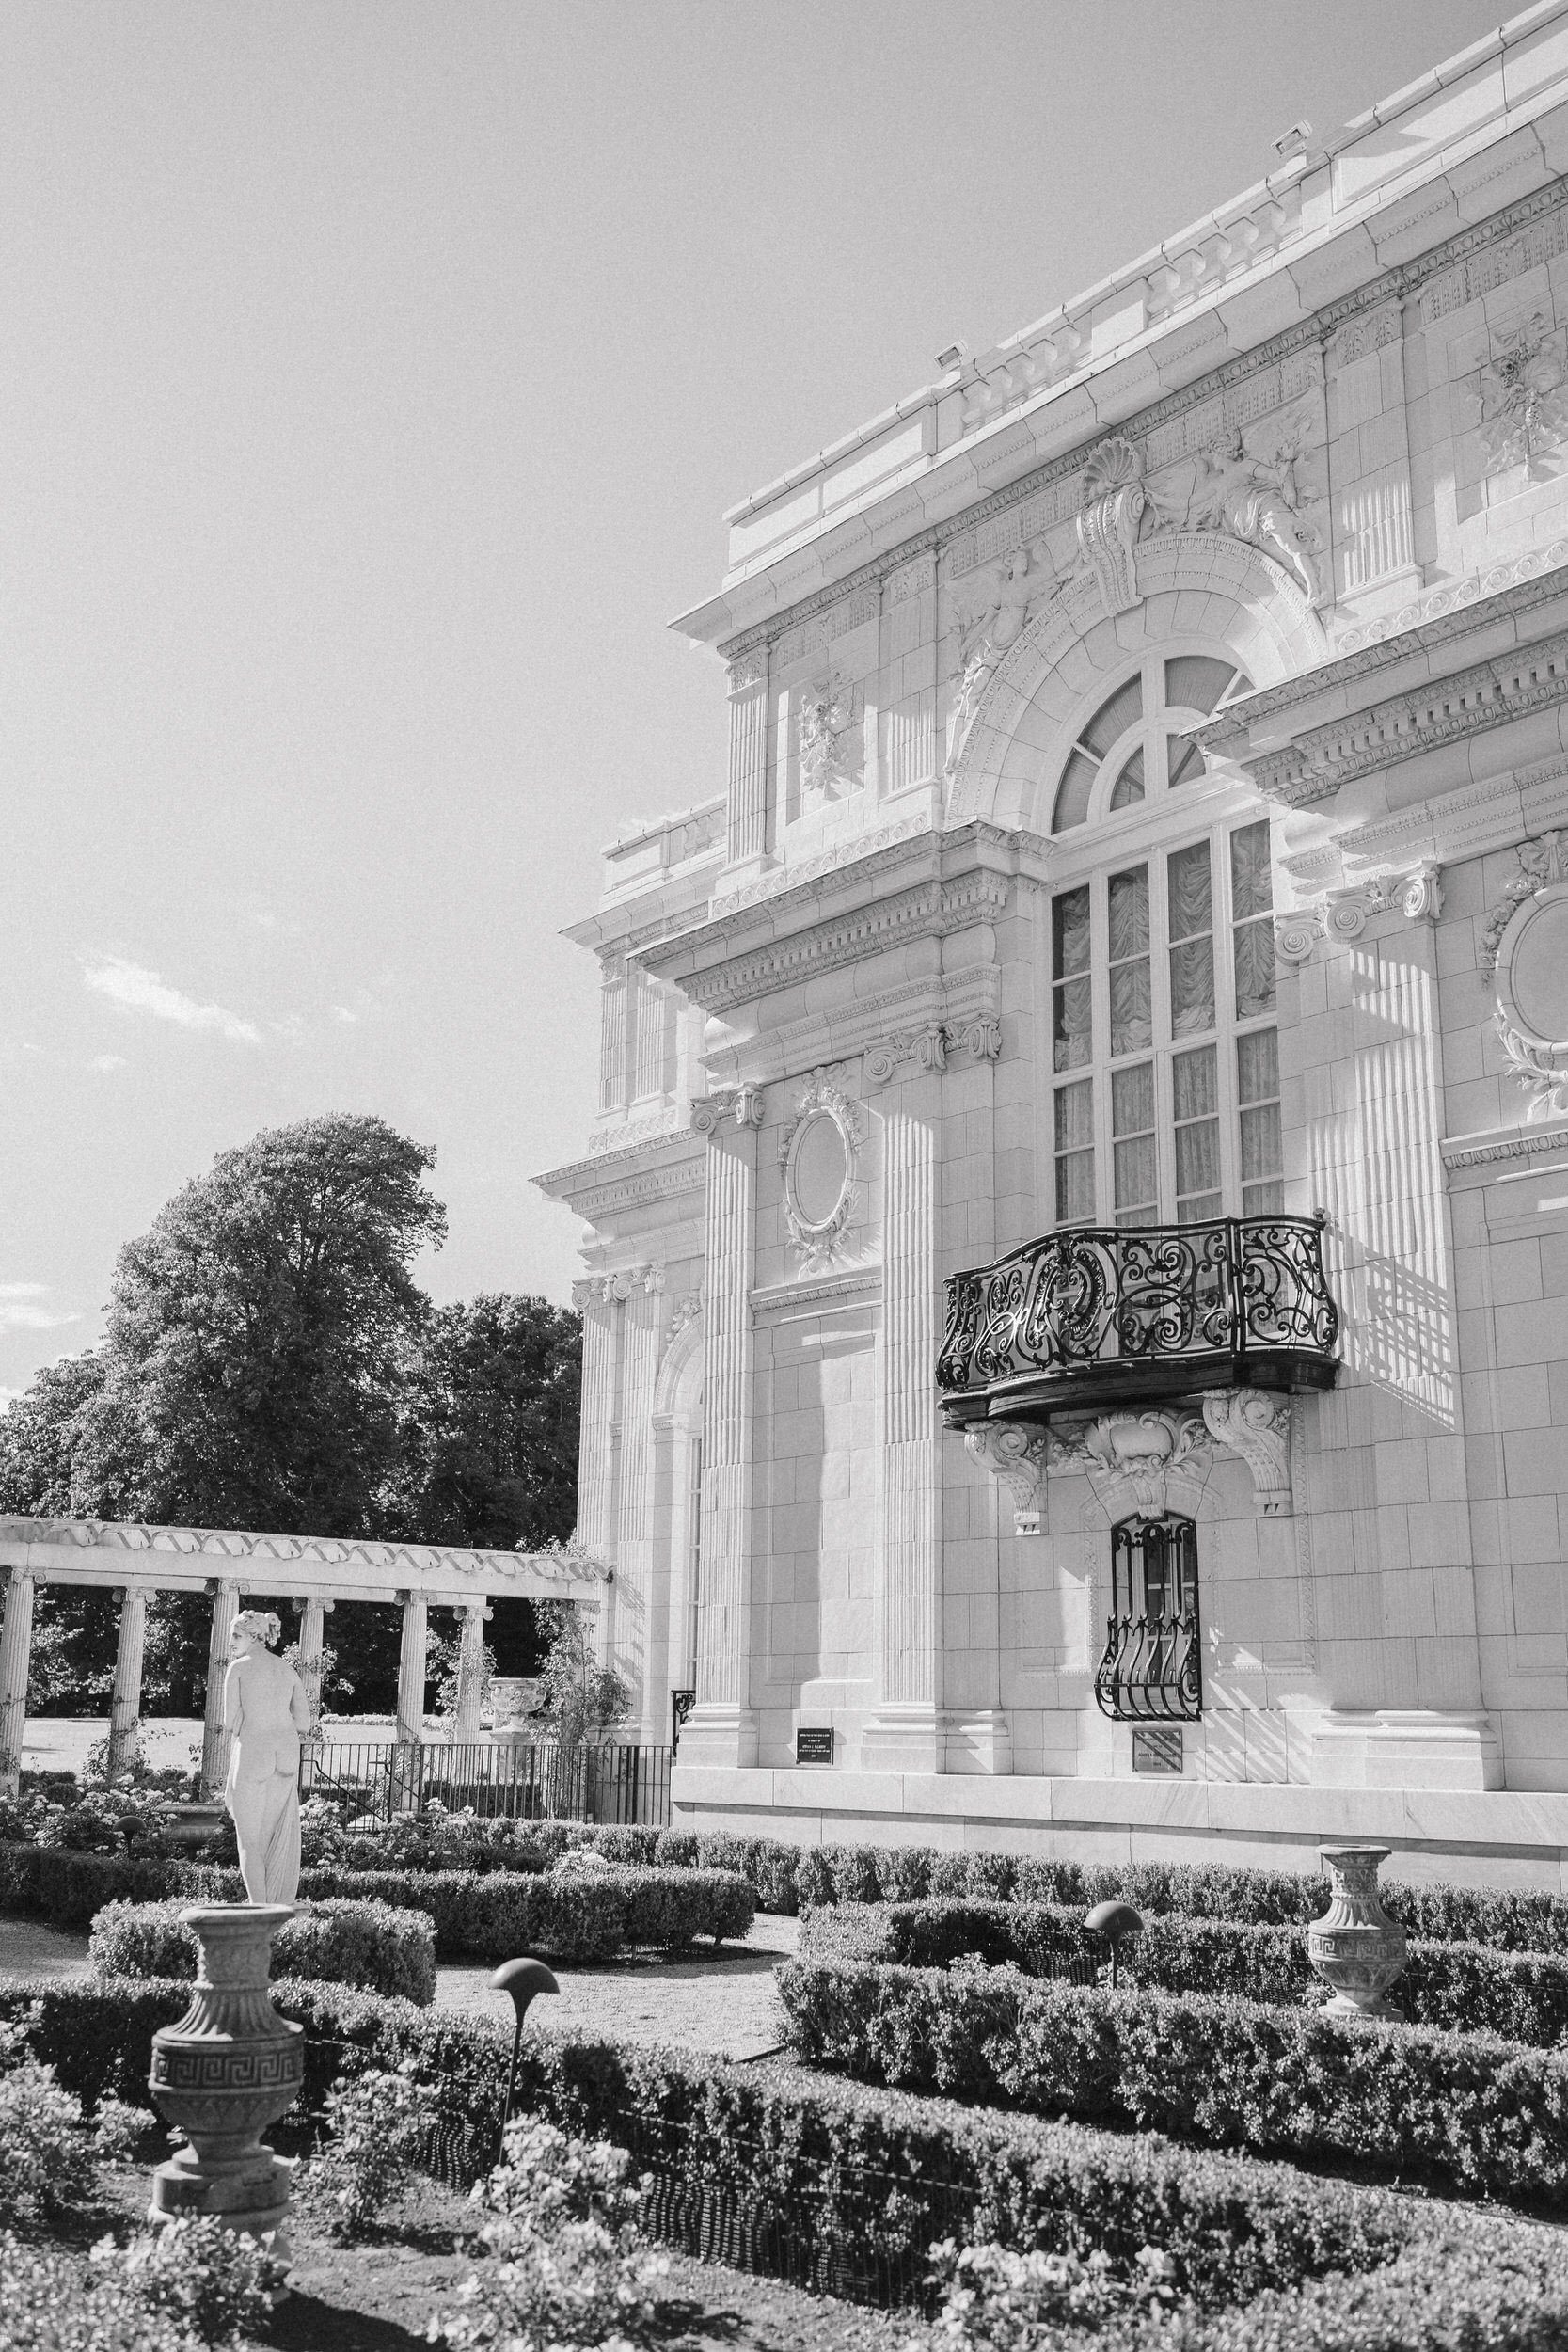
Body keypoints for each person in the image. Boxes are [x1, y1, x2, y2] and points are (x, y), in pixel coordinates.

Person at [223, 1610, 314, 1905]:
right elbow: (304, 1723)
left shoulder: (239, 1668)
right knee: (274, 1834)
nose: (231, 1642)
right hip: (286, 1753)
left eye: (236, 1635)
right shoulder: (286, 1669)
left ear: (253, 1636)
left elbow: (230, 1721)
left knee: (250, 1840)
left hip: (255, 1750)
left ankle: (260, 1910)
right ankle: (278, 1901)